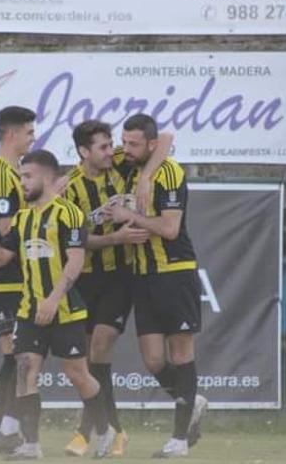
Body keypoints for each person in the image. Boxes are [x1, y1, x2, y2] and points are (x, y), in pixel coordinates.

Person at [0, 150, 115, 460]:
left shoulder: (68, 213)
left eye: (27, 176)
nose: (22, 182)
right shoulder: (22, 218)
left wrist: (53, 299)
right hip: (29, 310)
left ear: (47, 177)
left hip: (65, 309)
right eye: (20, 177)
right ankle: (31, 445)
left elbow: (76, 261)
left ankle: (105, 429)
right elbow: (0, 258)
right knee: (25, 369)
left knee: (77, 374)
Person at [61, 120, 173, 457]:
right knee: (85, 359)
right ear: (84, 152)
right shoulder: (71, 187)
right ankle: (109, 429)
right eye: (104, 147)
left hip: (121, 275)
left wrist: (147, 176)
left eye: (112, 145)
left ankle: (92, 430)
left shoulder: (122, 163)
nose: (112, 151)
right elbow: (75, 239)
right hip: (85, 278)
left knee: (100, 343)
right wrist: (115, 238)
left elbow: (165, 139)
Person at [105, 114, 208, 459]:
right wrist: (143, 173)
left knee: (181, 354)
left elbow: (169, 229)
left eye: (133, 144)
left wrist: (128, 215)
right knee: (152, 360)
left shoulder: (170, 173)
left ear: (149, 146)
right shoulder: (131, 163)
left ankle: (179, 441)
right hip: (143, 275)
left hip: (174, 272)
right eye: (124, 142)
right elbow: (164, 134)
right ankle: (192, 400)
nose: (125, 149)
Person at [0, 106, 36, 454]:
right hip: (3, 278)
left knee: (17, 357)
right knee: (17, 356)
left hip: (18, 277)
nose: (33, 137)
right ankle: (4, 432)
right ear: (11, 134)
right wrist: (42, 214)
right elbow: (4, 231)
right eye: (29, 131)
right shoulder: (0, 173)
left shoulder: (16, 171)